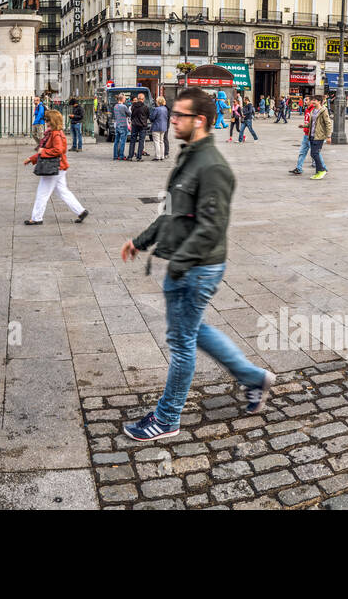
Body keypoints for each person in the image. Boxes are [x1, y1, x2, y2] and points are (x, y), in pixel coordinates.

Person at [120, 87, 274, 441]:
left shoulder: (213, 167)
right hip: (187, 266)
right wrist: (140, 242)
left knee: (181, 342)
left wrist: (179, 266)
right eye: (172, 115)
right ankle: (255, 378)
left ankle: (167, 418)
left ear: (199, 121)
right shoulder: (189, 157)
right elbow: (171, 212)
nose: (172, 120)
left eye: (179, 116)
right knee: (194, 332)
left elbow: (211, 228)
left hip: (197, 268)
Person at [22, 109, 88, 225]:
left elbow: (59, 150)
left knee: (42, 192)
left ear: (52, 121)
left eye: (47, 119)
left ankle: (37, 217)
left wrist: (42, 152)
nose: (45, 121)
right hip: (59, 167)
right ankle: (81, 211)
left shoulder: (55, 134)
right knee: (63, 191)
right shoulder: (54, 133)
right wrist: (32, 159)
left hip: (54, 167)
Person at [287, 98, 317, 176]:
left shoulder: (314, 110)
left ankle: (322, 167)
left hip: (311, 135)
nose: (305, 101)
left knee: (315, 153)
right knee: (302, 152)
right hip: (306, 134)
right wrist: (304, 126)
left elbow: (314, 123)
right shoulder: (307, 110)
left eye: (306, 100)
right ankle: (299, 168)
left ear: (311, 101)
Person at [306, 95, 332, 179]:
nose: (313, 102)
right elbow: (312, 123)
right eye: (312, 100)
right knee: (313, 154)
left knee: (315, 153)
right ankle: (318, 172)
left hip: (319, 136)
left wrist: (328, 136)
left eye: (315, 100)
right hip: (312, 135)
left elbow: (328, 123)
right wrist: (304, 126)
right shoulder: (313, 110)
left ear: (319, 102)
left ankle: (322, 170)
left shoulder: (323, 111)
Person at [128, 93, 149, 161]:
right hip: (142, 125)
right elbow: (147, 115)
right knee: (141, 141)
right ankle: (139, 157)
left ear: (138, 99)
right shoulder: (145, 107)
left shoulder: (133, 106)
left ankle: (130, 156)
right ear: (143, 99)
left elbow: (132, 115)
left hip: (134, 125)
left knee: (132, 140)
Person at [149, 96, 168, 161]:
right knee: (161, 142)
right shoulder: (165, 109)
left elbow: (152, 118)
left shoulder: (157, 109)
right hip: (163, 127)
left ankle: (158, 156)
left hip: (156, 126)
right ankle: (162, 156)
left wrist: (150, 117)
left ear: (158, 102)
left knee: (156, 142)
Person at [112, 94, 128, 160]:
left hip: (117, 125)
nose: (125, 99)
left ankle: (115, 155)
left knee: (116, 141)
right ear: (122, 99)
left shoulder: (115, 106)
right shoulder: (123, 106)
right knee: (123, 141)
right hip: (123, 125)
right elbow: (129, 113)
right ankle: (121, 155)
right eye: (124, 98)